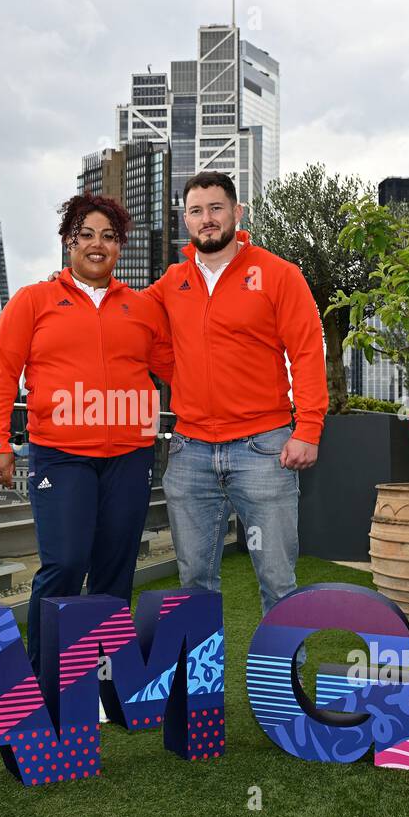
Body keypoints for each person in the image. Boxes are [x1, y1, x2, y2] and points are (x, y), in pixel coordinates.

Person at [0, 194, 174, 673]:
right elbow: (1, 372)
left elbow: (175, 368)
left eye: (108, 237)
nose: (97, 244)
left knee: (114, 572)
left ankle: (98, 682)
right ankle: (41, 683)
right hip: (60, 455)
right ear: (68, 242)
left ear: (119, 248)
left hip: (130, 455)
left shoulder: (142, 307)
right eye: (85, 234)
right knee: (65, 564)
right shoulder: (33, 301)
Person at [146, 170, 327, 619]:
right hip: (189, 452)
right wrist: (69, 281)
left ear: (236, 212)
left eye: (215, 208)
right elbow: (128, 320)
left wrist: (308, 428)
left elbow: (306, 352)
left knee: (278, 581)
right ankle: (198, 688)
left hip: (264, 448)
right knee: (193, 583)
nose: (206, 219)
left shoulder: (278, 275)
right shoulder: (171, 282)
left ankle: (282, 688)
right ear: (184, 219)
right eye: (196, 211)